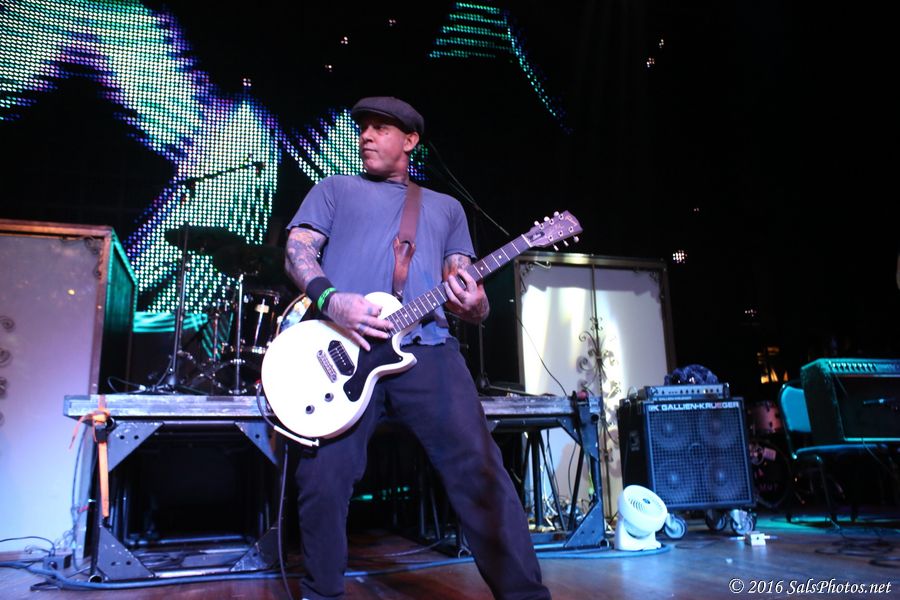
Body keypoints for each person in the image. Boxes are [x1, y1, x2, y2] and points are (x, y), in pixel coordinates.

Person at [283, 96, 551, 600]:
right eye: (363, 128)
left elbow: (465, 291)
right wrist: (331, 300)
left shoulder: (446, 208)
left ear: (410, 141)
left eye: (380, 128)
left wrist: (475, 305)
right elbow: (298, 250)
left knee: (480, 470)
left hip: (426, 348)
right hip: (345, 348)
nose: (366, 136)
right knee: (323, 478)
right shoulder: (335, 190)